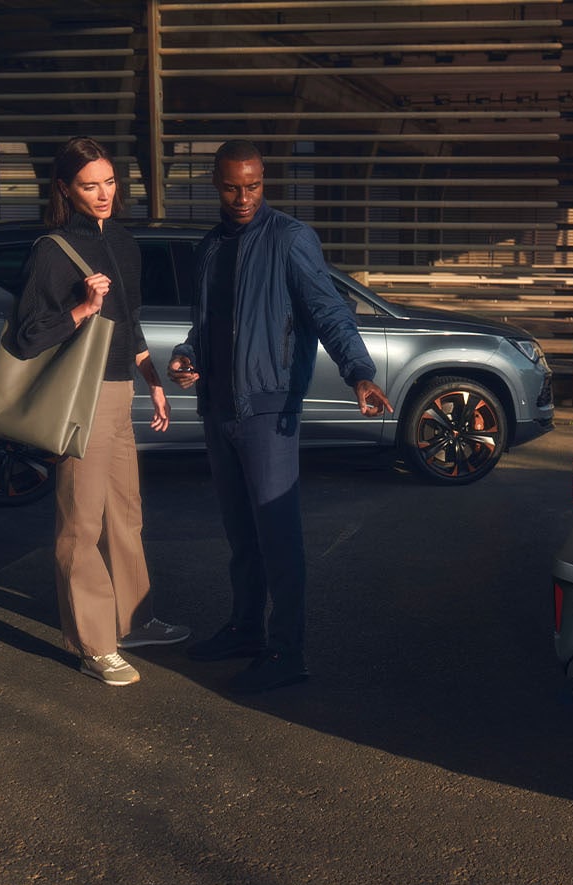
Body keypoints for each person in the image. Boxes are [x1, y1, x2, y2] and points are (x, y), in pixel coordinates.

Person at [167, 139, 392, 695]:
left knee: (278, 538)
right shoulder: (210, 247)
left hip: (269, 409)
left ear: (264, 182)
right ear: (214, 184)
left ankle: (286, 651)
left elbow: (329, 310)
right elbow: (206, 326)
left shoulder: (290, 239)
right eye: (231, 187)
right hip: (219, 408)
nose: (243, 197)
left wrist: (359, 373)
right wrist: (187, 358)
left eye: (254, 186)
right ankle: (245, 628)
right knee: (240, 535)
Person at [13, 135, 189, 686]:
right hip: (80, 395)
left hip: (121, 390)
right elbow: (26, 336)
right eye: (90, 185)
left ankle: (134, 620)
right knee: (81, 523)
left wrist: (153, 379)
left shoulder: (123, 241)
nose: (104, 193)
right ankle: (95, 644)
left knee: (125, 513)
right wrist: (83, 308)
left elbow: (131, 321)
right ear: (65, 188)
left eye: (109, 182)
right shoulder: (52, 250)